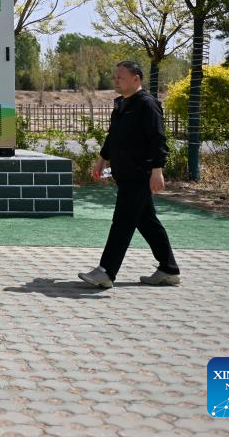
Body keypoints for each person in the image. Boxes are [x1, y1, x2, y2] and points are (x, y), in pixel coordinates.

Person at [78, 60, 181, 289]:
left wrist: (157, 170)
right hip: (124, 174)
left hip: (140, 173)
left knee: (122, 222)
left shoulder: (147, 104)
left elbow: (158, 138)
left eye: (121, 77)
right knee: (147, 222)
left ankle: (106, 272)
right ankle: (169, 269)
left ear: (136, 79)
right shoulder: (121, 104)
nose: (116, 81)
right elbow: (113, 136)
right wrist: (101, 160)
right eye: (115, 77)